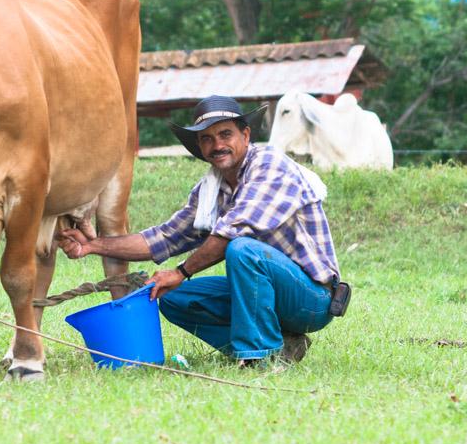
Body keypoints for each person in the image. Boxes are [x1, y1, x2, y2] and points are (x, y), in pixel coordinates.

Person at [57, 95, 343, 366]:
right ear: (200, 148)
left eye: (225, 134)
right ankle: (283, 347)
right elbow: (162, 239)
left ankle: (258, 356)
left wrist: (180, 273)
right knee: (169, 296)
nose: (216, 144)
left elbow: (233, 232)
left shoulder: (269, 164)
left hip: (312, 299)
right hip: (265, 295)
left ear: (245, 135)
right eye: (207, 139)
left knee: (242, 249)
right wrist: (92, 247)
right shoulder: (210, 190)